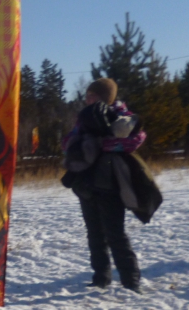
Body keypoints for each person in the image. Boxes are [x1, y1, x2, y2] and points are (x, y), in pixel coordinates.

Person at [61, 77, 160, 293]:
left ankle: (131, 281)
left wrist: (101, 143)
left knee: (115, 234)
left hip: (110, 185)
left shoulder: (122, 117)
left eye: (92, 95)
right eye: (87, 95)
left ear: (105, 97)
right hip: (86, 184)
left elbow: (134, 140)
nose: (87, 99)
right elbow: (67, 143)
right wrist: (79, 144)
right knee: (94, 234)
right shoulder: (84, 118)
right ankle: (101, 278)